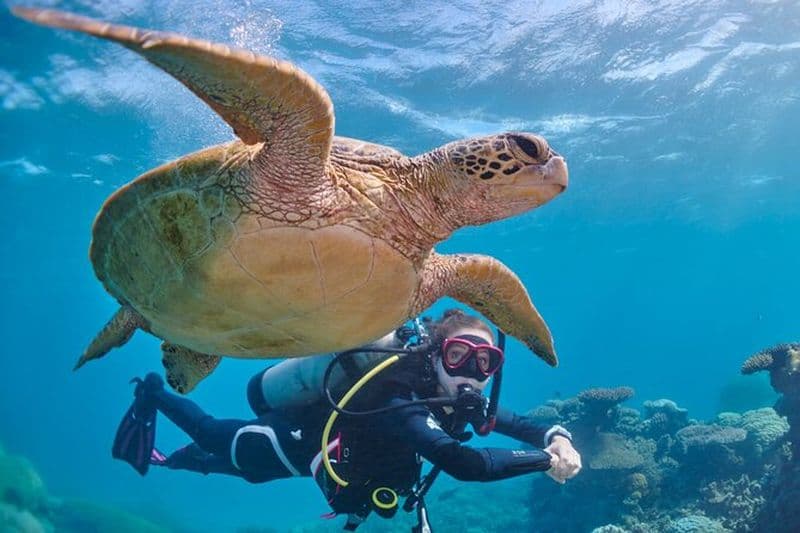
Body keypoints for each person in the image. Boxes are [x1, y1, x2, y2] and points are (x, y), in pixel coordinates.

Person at [114, 309, 581, 530]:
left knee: (240, 470)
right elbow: (462, 463)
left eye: (486, 363)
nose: (472, 374)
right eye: (459, 355)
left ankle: (176, 459)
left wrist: (558, 436)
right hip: (295, 441)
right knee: (222, 443)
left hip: (338, 474)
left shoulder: (455, 400)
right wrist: (544, 460)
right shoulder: (399, 393)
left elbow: (519, 423)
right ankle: (154, 393)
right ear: (436, 356)